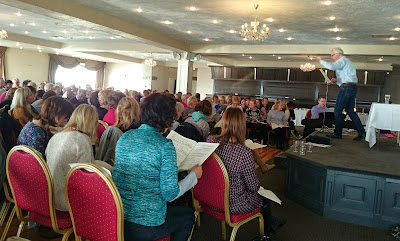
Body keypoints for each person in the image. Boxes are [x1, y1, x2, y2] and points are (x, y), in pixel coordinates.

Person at [113, 93, 202, 241]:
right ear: (168, 119)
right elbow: (170, 194)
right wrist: (193, 176)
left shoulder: (125, 137)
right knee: (187, 216)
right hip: (147, 224)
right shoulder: (164, 146)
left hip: (119, 218)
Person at [206, 107, 273, 234]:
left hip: (212, 198)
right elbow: (253, 187)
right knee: (265, 199)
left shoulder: (210, 141)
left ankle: (270, 225)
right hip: (233, 203)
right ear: (242, 126)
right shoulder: (244, 153)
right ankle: (267, 233)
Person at [46, 104, 112, 211]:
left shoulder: (56, 136)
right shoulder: (82, 140)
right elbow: (87, 178)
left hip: (50, 197)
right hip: (68, 201)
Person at [316, 47, 365, 140]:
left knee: (337, 110)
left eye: (332, 55)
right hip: (352, 87)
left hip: (347, 87)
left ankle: (338, 134)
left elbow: (331, 67)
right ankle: (362, 132)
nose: (332, 57)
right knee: (350, 111)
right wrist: (337, 80)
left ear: (338, 54)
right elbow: (346, 77)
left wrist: (320, 60)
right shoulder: (346, 63)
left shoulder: (342, 60)